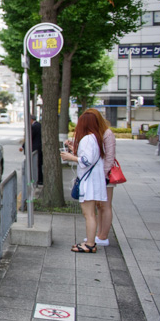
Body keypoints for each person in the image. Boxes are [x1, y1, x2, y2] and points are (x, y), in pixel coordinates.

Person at [61, 111, 107, 253]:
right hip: (94, 181)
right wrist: (74, 150)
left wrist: (70, 157)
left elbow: (86, 161)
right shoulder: (96, 137)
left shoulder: (87, 139)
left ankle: (90, 244)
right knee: (91, 214)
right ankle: (90, 242)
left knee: (89, 214)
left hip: (89, 182)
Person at [84, 108, 116, 247]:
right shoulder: (95, 133)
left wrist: (103, 176)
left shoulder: (107, 133)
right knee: (99, 206)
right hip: (97, 175)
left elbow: (110, 157)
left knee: (105, 205)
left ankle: (103, 236)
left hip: (105, 175)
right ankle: (99, 235)